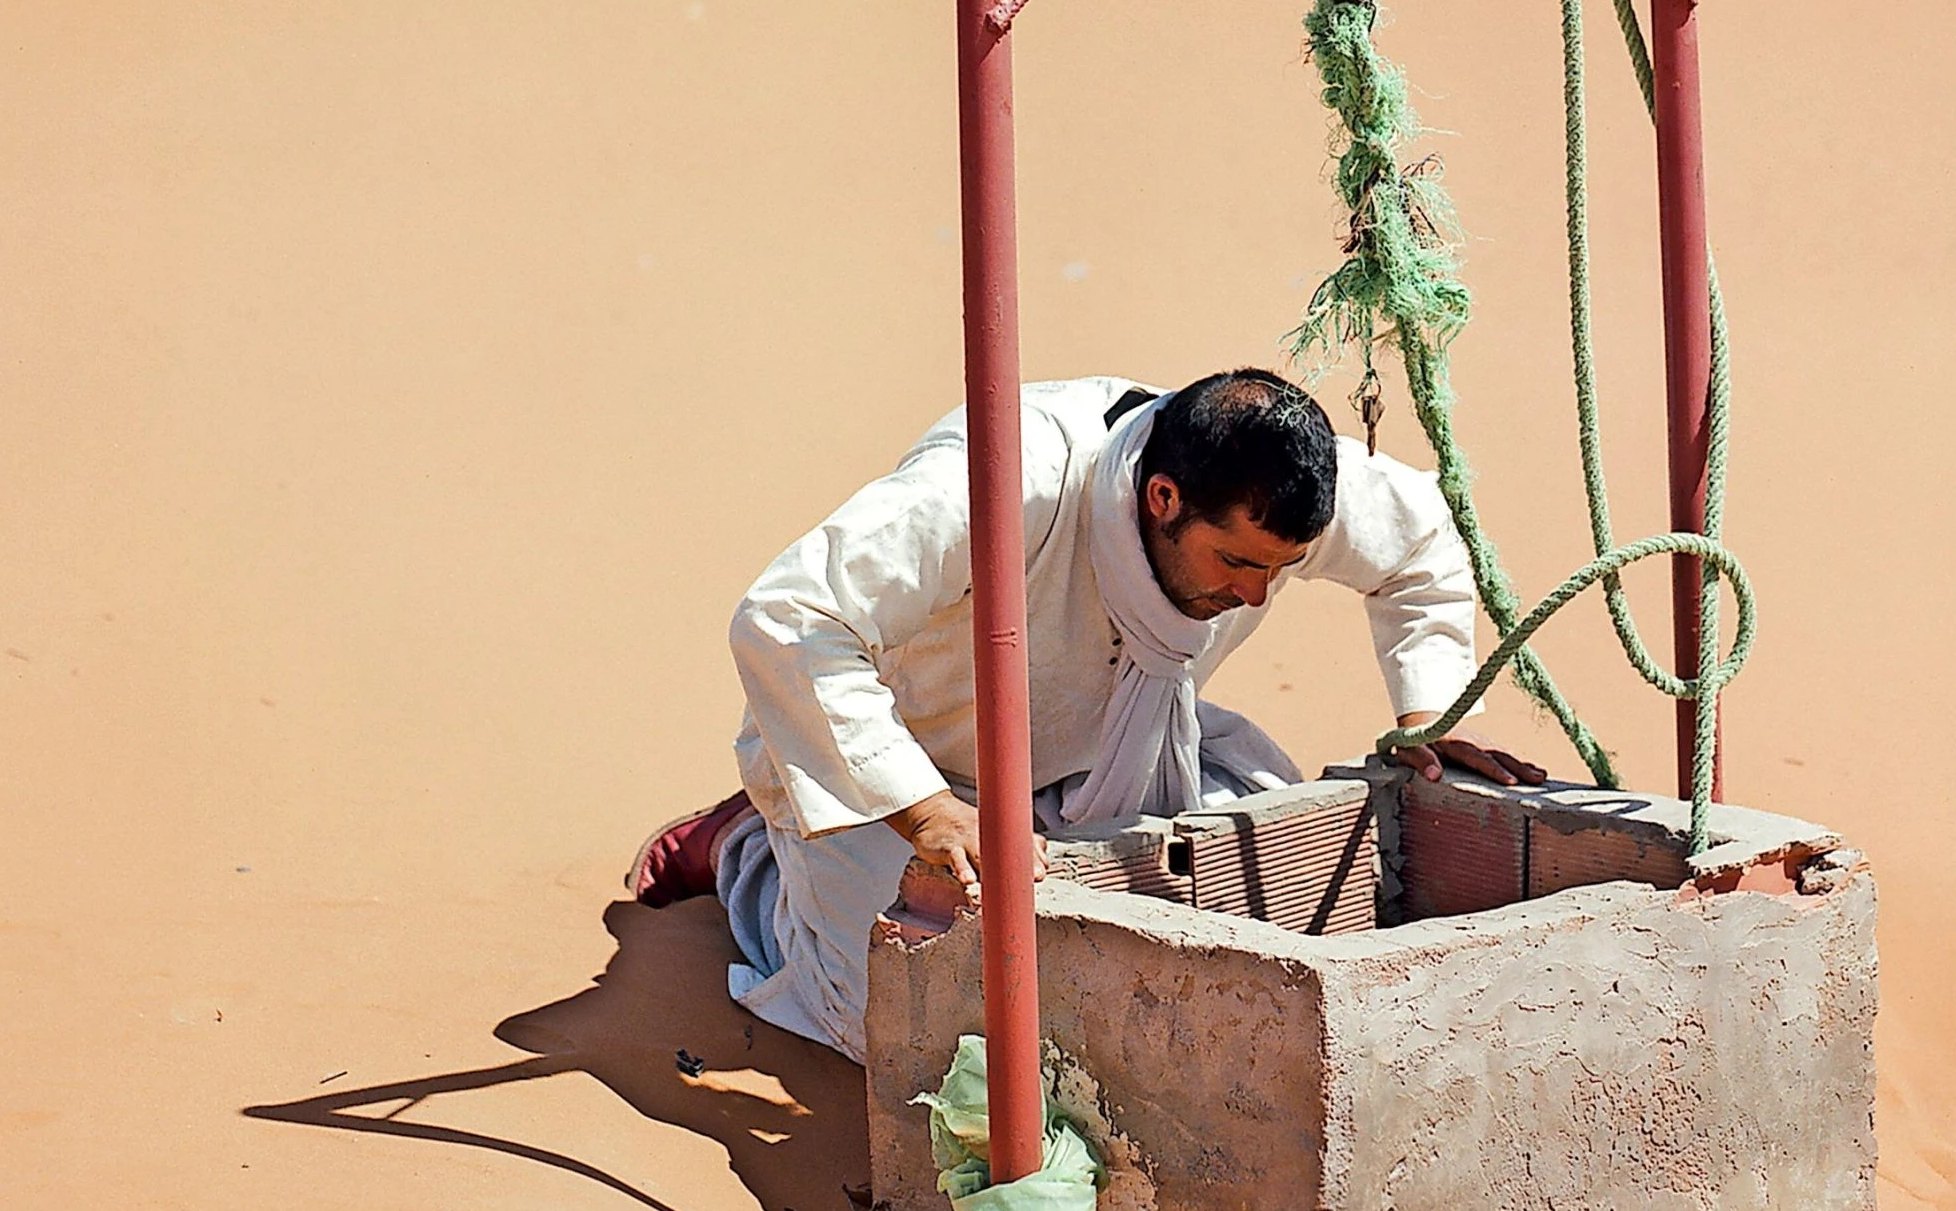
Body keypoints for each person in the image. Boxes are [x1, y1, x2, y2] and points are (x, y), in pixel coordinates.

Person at [634, 370, 1545, 1062]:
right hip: (909, 769)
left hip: (1119, 749)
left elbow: (1420, 542)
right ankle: (747, 851)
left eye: (1281, 569)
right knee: (906, 1025)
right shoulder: (1003, 482)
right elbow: (790, 618)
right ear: (1162, 499)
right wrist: (926, 810)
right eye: (1237, 564)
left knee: (1257, 913)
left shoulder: (1278, 488)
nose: (1255, 595)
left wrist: (1430, 712)